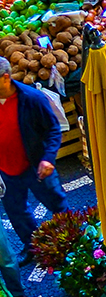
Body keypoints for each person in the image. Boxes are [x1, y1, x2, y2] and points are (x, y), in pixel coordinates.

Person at [0, 58, 68, 262]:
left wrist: (48, 159)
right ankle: (33, 247)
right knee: (16, 213)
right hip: (6, 172)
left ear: (5, 78)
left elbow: (54, 130)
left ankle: (70, 244)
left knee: (56, 204)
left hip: (36, 165)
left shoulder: (31, 98)